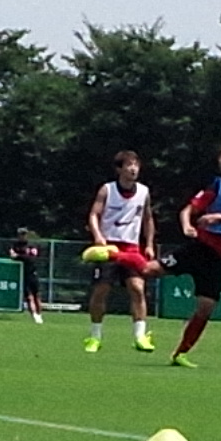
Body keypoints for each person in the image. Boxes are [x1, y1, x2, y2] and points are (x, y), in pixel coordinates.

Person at [87, 144, 221, 367]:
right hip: (198, 249)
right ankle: (113, 254)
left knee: (205, 308)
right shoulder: (217, 188)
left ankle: (180, 354)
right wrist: (187, 225)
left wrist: (217, 217)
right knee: (148, 270)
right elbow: (188, 210)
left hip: (218, 259)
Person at [83, 151, 155, 353]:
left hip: (131, 247)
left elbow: (148, 219)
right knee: (101, 290)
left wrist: (149, 244)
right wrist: (98, 236)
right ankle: (95, 336)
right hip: (109, 248)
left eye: (136, 165)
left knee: (137, 288)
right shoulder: (107, 190)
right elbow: (94, 214)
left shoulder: (143, 192)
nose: (133, 169)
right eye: (129, 165)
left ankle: (140, 336)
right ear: (119, 169)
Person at [9, 229, 44, 323]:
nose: (22, 236)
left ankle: (40, 314)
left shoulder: (31, 245)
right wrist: (23, 256)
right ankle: (34, 315)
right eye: (20, 234)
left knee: (37, 295)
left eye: (24, 234)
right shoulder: (15, 246)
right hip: (22, 274)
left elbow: (32, 257)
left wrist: (19, 256)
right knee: (29, 297)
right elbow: (12, 256)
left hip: (32, 273)